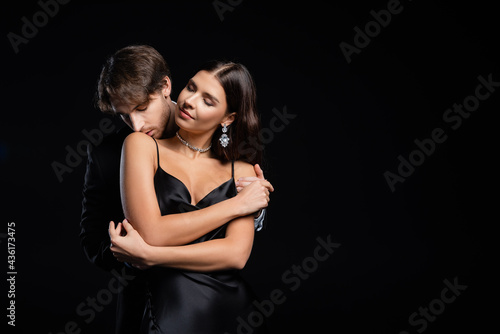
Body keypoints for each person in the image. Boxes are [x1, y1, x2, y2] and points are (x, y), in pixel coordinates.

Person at [80, 45, 273, 334]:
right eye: (123, 115)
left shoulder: (237, 163)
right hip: (153, 301)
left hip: (226, 307)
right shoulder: (115, 151)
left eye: (142, 108)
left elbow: (236, 252)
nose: (136, 125)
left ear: (166, 87)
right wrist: (130, 253)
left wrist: (252, 209)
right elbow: (93, 237)